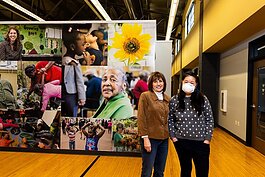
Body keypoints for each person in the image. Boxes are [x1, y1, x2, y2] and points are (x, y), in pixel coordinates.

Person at [168, 71, 214, 177]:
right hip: (181, 142)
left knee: (202, 171)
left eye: (192, 82)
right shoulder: (174, 100)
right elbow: (170, 119)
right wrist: (173, 137)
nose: (189, 84)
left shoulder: (203, 99)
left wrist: (207, 139)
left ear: (196, 84)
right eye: (186, 81)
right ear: (182, 83)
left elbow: (209, 119)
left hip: (201, 142)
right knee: (185, 170)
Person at [137, 71, 170, 177]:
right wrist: (145, 138)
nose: (158, 84)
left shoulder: (168, 99)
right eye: (155, 81)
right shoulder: (145, 96)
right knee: (147, 171)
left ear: (164, 83)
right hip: (150, 139)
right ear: (151, 84)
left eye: (160, 81)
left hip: (164, 139)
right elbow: (141, 118)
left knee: (160, 171)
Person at [62, 27, 86, 117]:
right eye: (83, 45)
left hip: (68, 93)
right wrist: (82, 98)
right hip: (72, 95)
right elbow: (79, 81)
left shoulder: (66, 60)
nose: (85, 47)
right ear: (72, 47)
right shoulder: (73, 63)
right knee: (72, 114)